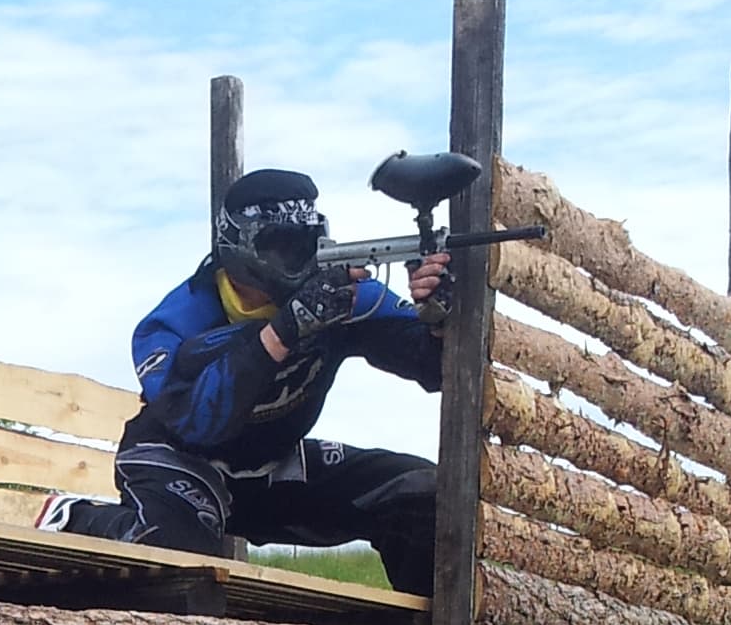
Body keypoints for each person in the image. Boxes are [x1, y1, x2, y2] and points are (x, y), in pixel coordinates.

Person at [40, 167, 449, 595]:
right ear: (236, 245)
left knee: (419, 493)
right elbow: (196, 422)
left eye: (307, 242)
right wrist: (286, 329)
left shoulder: (339, 299)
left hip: (272, 465)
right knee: (178, 561)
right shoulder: (171, 325)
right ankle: (80, 520)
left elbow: (431, 365)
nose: (298, 258)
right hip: (177, 459)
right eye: (280, 244)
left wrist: (437, 314)